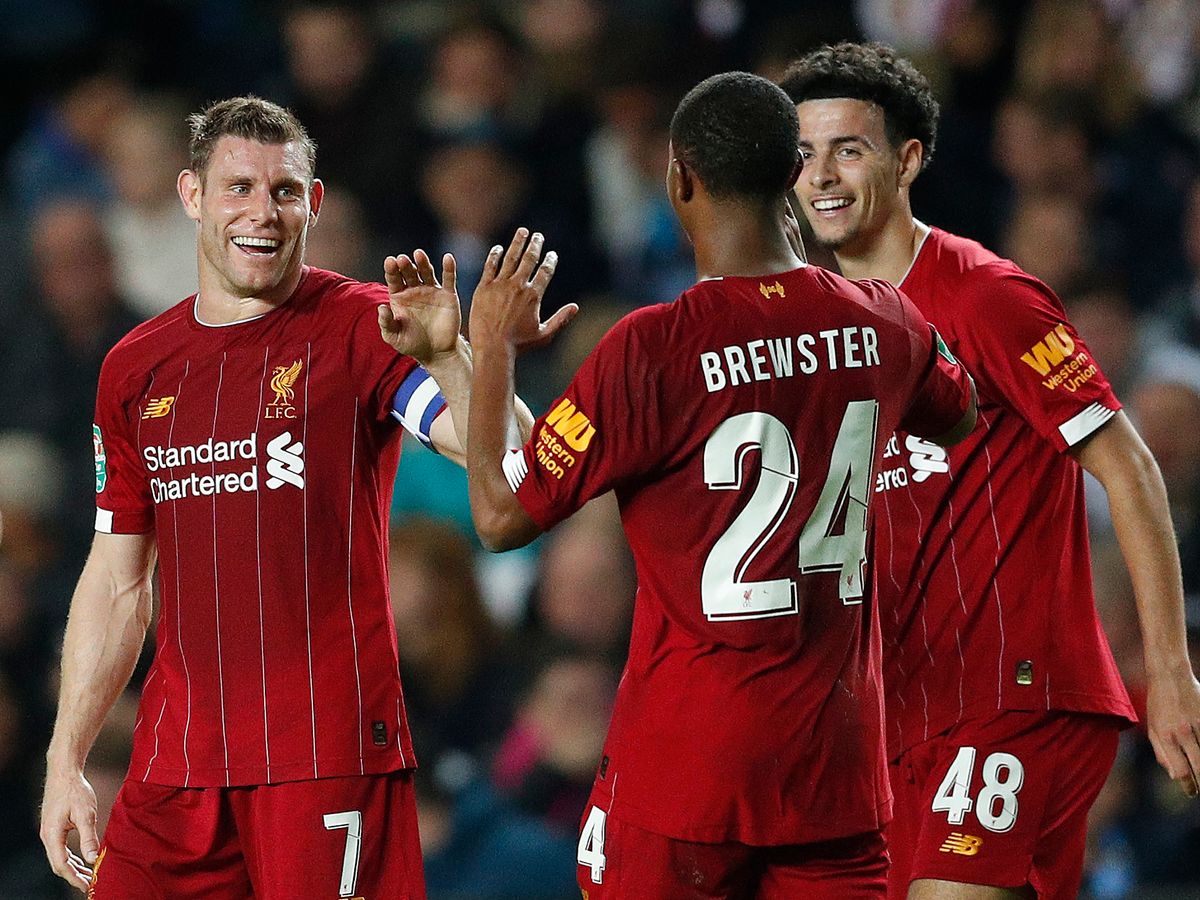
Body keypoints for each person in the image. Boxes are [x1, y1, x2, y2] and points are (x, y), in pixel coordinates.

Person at [464, 71, 977, 899]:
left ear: (679, 178)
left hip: (685, 776)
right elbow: (958, 417)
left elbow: (498, 517)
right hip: (835, 771)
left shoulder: (649, 349)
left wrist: (492, 350)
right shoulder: (886, 319)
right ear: (792, 177)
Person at [37, 95, 534, 899]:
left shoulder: (363, 326)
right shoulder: (134, 368)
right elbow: (119, 578)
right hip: (178, 771)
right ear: (192, 196)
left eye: (284, 191)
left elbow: (516, 462)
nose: (261, 213)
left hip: (326, 759)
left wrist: (451, 359)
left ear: (315, 202)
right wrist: (66, 763)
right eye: (238, 187)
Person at [780, 42, 1200, 900]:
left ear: (907, 160)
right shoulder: (817, 332)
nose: (821, 175)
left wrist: (1171, 675)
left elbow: (1129, 467)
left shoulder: (984, 296)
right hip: (903, 719)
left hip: (1021, 700)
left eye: (847, 149)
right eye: (802, 154)